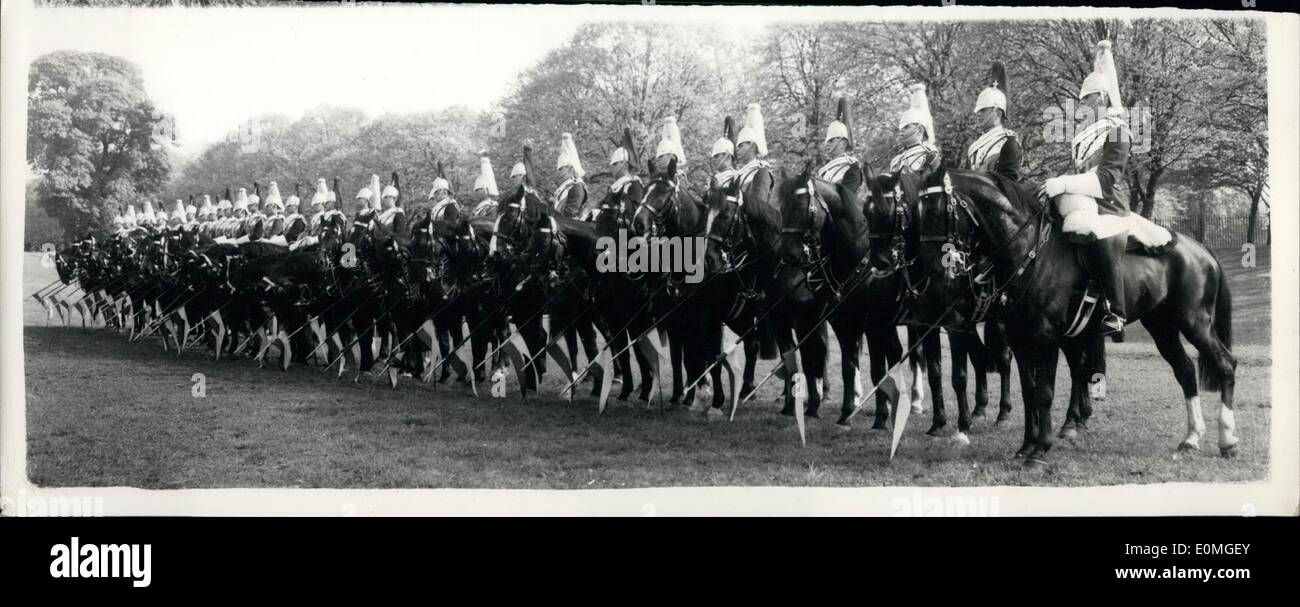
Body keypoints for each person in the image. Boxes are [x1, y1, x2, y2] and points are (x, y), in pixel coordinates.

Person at [1041, 40, 1141, 340]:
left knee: (1100, 238)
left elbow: (1107, 179)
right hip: (1085, 204)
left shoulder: (1119, 130)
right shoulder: (1083, 138)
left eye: (1089, 100)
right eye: (1083, 101)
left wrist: (1065, 183)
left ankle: (1116, 311)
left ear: (1103, 98)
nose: (1083, 107)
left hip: (1110, 206)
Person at [964, 61, 1022, 181]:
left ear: (998, 112)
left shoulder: (1008, 142)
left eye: (983, 111)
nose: (979, 115)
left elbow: (1009, 181)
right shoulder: (974, 146)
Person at [817, 97, 867, 197]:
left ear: (843, 143)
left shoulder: (851, 167)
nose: (827, 144)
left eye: (831, 141)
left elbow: (848, 196)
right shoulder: (823, 171)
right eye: (827, 141)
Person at [889, 84, 941, 174]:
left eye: (906, 127)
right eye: (901, 128)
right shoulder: (896, 160)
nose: (902, 130)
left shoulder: (930, 157)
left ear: (920, 130)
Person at [734, 103, 770, 190]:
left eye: (741, 146)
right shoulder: (737, 173)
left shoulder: (760, 170)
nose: (737, 149)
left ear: (752, 147)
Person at [552, 132, 587, 218]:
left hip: (571, 228)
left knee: (623, 230)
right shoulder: (563, 188)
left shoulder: (577, 186)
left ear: (571, 168)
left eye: (561, 169)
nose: (558, 172)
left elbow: (569, 214)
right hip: (559, 225)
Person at [710, 116, 738, 192]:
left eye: (716, 156)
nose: (713, 160)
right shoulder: (714, 179)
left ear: (727, 156)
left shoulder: (737, 178)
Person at [470, 153, 501, 219]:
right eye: (477, 190)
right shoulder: (477, 208)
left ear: (486, 190)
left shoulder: (492, 207)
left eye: (480, 189)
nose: (478, 192)